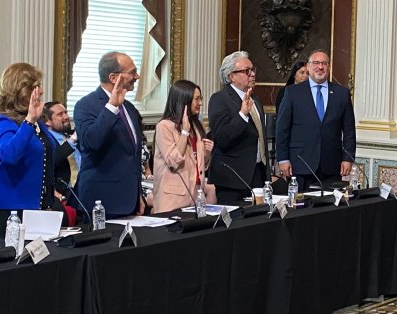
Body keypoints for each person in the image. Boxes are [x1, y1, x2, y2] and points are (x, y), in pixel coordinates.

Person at [0, 63, 65, 237]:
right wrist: (30, 120)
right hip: (5, 208)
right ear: (21, 92)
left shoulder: (36, 121)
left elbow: (49, 152)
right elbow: (9, 155)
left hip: (35, 207)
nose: (41, 91)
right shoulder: (1, 122)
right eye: (35, 87)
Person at [74, 52, 145, 219]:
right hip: (101, 201)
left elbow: (132, 156)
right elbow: (91, 141)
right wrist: (112, 106)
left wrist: (138, 194)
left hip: (129, 201)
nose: (137, 76)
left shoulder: (129, 108)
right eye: (132, 72)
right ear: (114, 78)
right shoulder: (85, 105)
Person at [275, 49, 356, 191]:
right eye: (316, 63)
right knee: (301, 204)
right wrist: (283, 159)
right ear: (308, 66)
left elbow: (349, 130)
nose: (320, 67)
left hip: (331, 165)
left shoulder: (341, 94)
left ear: (329, 67)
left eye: (324, 63)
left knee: (329, 204)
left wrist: (348, 158)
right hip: (300, 164)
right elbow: (282, 129)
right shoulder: (293, 92)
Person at [208, 51, 269, 204]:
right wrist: (242, 114)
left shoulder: (256, 100)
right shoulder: (219, 99)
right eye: (247, 71)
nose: (253, 74)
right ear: (231, 76)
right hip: (232, 178)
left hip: (257, 174)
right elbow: (222, 138)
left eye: (253, 69)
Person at [152, 80, 215, 212]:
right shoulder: (164, 126)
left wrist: (207, 154)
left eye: (201, 98)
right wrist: (185, 132)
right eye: (196, 99)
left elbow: (199, 163)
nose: (200, 103)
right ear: (184, 101)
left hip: (195, 197)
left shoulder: (197, 126)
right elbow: (174, 161)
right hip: (172, 199)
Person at [43, 101, 81, 193]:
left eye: (66, 113)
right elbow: (51, 160)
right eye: (60, 114)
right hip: (63, 193)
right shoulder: (44, 140)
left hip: (84, 188)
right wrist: (72, 139)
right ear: (47, 121)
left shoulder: (71, 136)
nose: (66, 117)